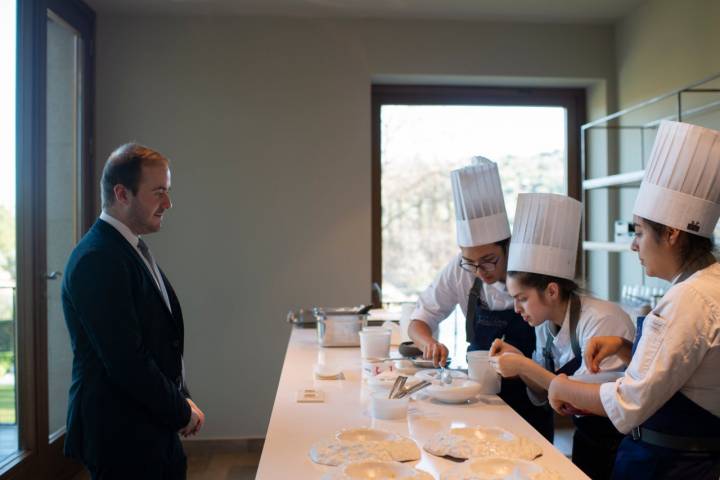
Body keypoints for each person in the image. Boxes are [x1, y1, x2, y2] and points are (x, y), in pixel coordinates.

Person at [547, 121, 720, 479]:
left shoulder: (690, 298)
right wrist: (629, 349)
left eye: (640, 232)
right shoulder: (706, 283)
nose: (633, 245)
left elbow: (628, 403)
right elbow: (692, 371)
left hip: (671, 464)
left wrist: (561, 387)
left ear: (671, 234)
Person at [62, 143, 205, 479]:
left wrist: (180, 401)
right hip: (121, 434)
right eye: (158, 193)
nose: (168, 203)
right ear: (122, 194)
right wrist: (180, 410)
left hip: (148, 425)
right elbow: (127, 360)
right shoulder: (97, 258)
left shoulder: (126, 248)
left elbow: (157, 340)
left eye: (167, 192)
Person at [489, 192, 635, 479]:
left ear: (552, 291)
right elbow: (546, 395)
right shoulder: (545, 324)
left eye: (522, 298)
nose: (517, 309)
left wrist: (523, 367)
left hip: (618, 446)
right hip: (586, 440)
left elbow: (582, 398)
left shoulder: (602, 320)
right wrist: (519, 362)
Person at [407, 157, 551, 440]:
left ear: (507, 246)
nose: (480, 271)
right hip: (477, 402)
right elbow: (419, 319)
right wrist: (430, 343)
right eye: (470, 262)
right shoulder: (462, 270)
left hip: (532, 403)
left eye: (488, 260)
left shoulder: (536, 272)